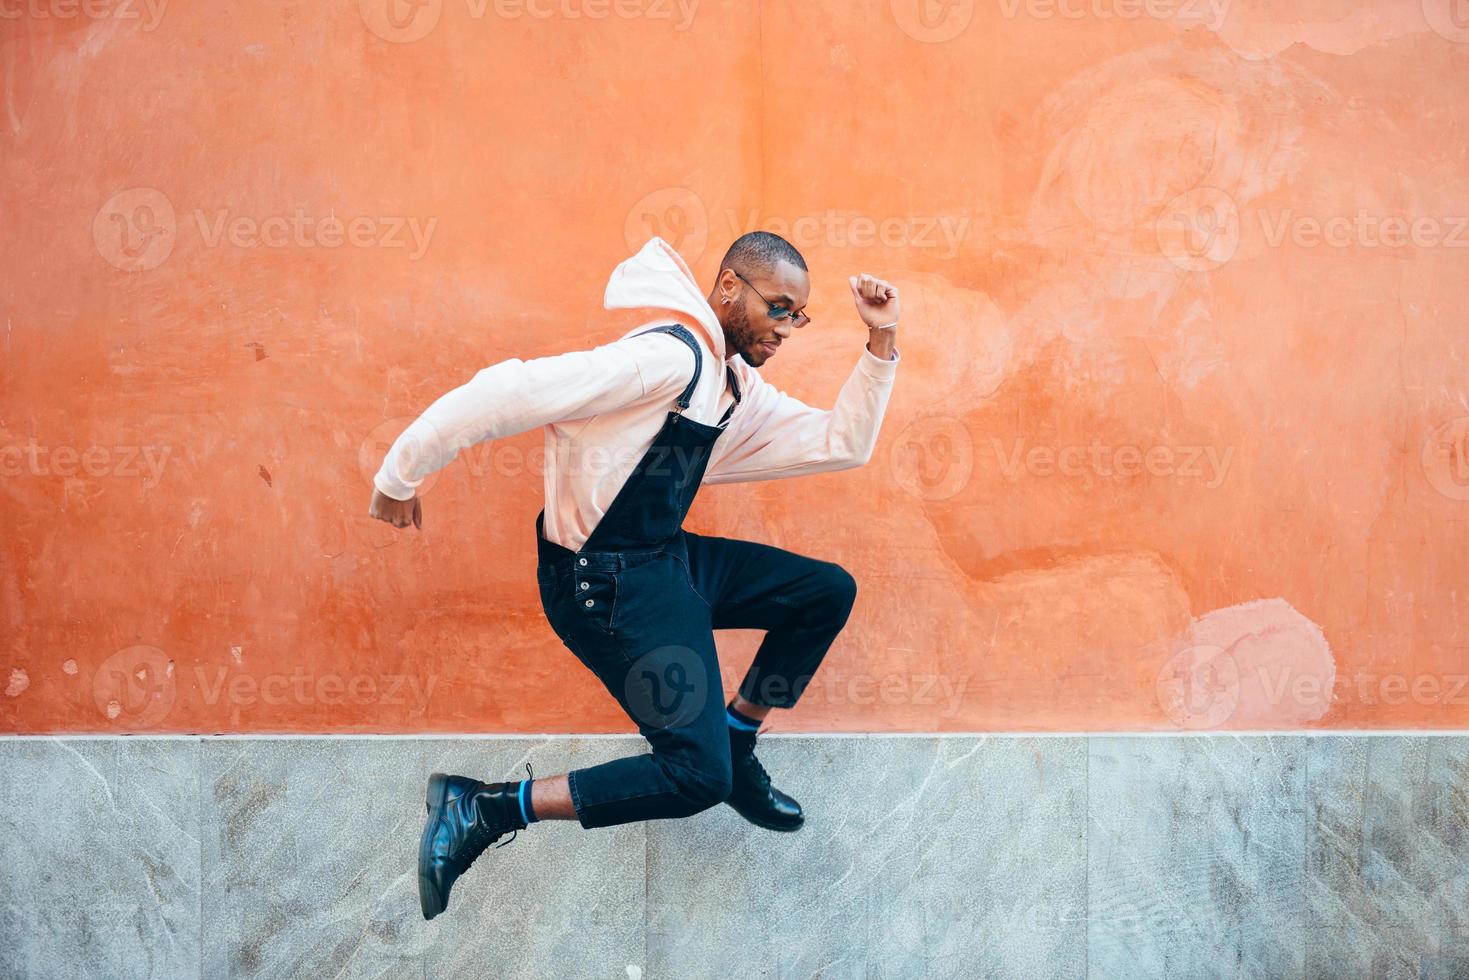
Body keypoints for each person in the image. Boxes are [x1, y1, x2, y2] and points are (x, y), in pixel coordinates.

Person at [368, 231, 902, 920]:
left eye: (796, 315)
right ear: (730, 288)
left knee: (823, 593)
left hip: (662, 560)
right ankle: (488, 807)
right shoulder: (661, 358)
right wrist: (399, 473)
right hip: (602, 585)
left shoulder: (732, 382)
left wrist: (881, 340)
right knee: (692, 776)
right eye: (778, 307)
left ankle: (738, 738)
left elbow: (842, 442)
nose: (786, 328)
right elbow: (509, 389)